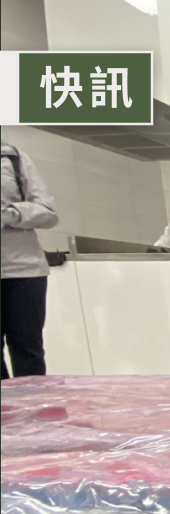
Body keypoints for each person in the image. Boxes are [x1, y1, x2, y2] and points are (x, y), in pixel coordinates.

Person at [1, 140, 59, 380]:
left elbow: (48, 212)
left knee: (27, 350)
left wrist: (10, 215)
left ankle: (33, 403)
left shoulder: (12, 158)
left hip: (23, 270)